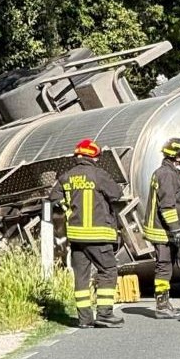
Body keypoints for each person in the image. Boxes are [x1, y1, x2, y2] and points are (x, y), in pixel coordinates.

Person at [49, 139, 124, 328]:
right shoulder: (98, 175)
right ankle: (105, 314)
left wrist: (69, 208)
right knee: (108, 271)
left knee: (81, 276)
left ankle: (84, 319)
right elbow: (116, 194)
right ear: (93, 157)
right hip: (98, 235)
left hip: (76, 237)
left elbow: (53, 198)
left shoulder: (66, 177)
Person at [143, 138, 180, 320]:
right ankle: (161, 306)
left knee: (166, 267)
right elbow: (167, 206)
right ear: (177, 155)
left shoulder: (164, 172)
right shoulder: (167, 175)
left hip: (161, 228)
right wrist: (175, 230)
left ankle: (164, 302)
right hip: (162, 230)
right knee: (164, 268)